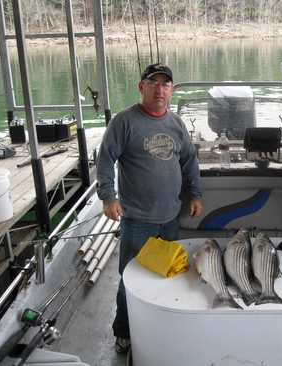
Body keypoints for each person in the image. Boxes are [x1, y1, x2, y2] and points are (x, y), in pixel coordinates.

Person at [96, 63, 202, 353]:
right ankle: (124, 331)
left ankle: (162, 322)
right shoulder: (124, 122)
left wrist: (195, 194)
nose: (159, 89)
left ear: (172, 90)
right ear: (140, 87)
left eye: (165, 83)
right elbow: (105, 160)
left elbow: (189, 161)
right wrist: (108, 196)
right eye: (152, 82)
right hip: (137, 219)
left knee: (170, 273)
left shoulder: (176, 124)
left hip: (171, 216)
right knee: (130, 279)